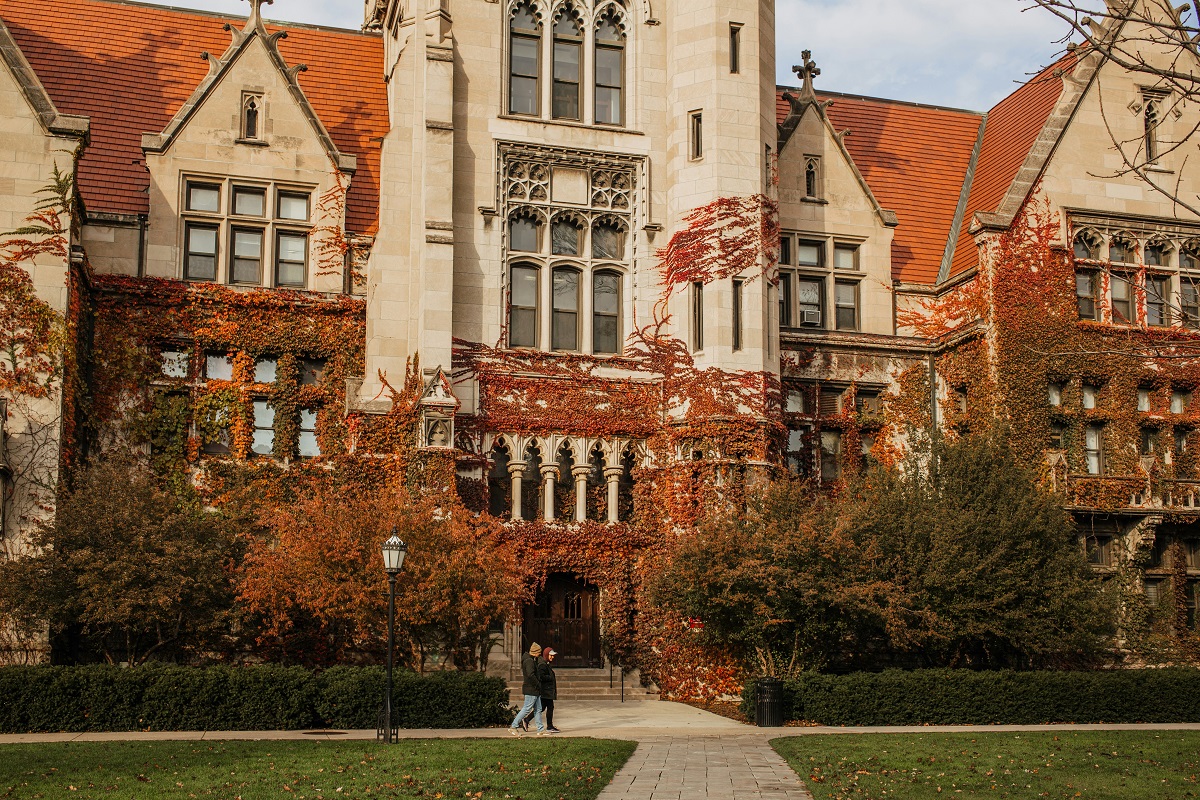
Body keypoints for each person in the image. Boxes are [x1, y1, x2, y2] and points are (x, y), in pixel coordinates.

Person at [510, 642, 545, 736]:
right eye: (539, 652)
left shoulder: (531, 660)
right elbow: (530, 675)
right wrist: (537, 683)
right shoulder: (529, 661)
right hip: (531, 689)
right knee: (527, 708)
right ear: (535, 652)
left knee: (538, 709)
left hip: (534, 689)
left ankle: (540, 729)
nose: (540, 654)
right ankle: (514, 726)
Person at [538, 647, 559, 733]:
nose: (552, 657)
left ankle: (527, 720)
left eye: (553, 656)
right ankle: (549, 726)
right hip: (546, 691)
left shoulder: (546, 664)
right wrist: (550, 677)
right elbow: (541, 676)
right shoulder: (542, 665)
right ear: (546, 655)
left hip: (547, 690)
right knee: (549, 707)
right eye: (551, 655)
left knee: (542, 707)